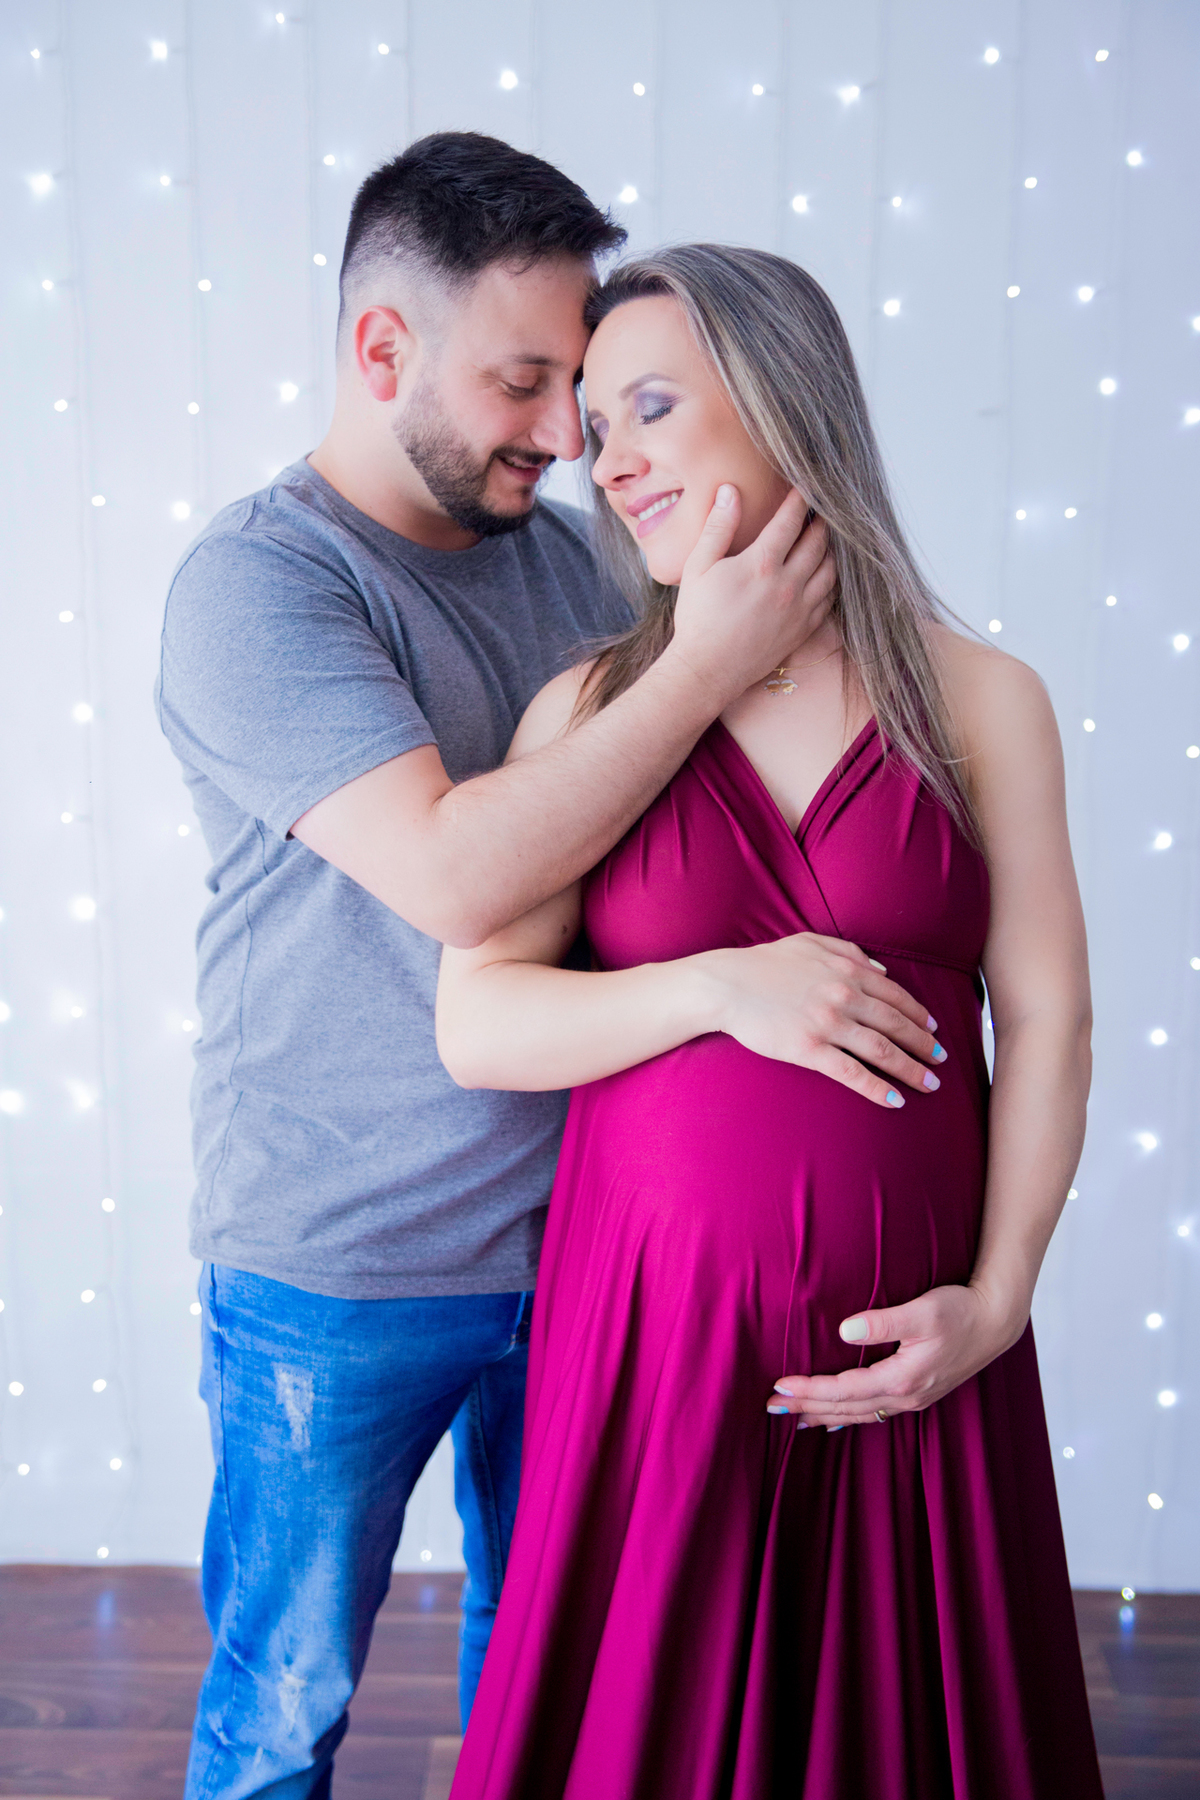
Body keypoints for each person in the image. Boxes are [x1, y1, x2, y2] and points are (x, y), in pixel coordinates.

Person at [154, 131, 920, 1798]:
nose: (566, 435)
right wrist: (702, 660)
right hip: (335, 1262)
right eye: (524, 382)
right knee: (283, 1705)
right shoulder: (260, 588)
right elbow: (454, 872)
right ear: (381, 350)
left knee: (551, 1680)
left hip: (580, 1247)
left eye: (582, 383)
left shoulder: (571, 556)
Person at [437, 244, 1104, 1799]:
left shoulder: (979, 699)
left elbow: (1055, 1025)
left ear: (785, 399)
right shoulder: (597, 711)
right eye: (597, 428)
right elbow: (479, 1025)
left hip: (915, 1354)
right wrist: (719, 986)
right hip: (654, 1352)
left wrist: (996, 1303)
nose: (612, 460)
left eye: (650, 406)